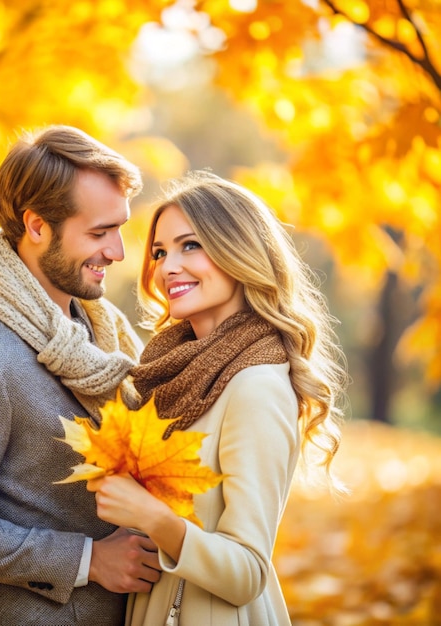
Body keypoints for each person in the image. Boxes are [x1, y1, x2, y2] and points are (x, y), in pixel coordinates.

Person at [0, 125, 162, 626]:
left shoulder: (101, 331)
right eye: (98, 232)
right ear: (37, 226)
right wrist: (89, 560)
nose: (118, 252)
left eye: (120, 228)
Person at [87, 171, 348, 625]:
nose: (168, 268)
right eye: (160, 252)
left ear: (239, 252)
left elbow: (248, 571)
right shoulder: (170, 375)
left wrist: (154, 518)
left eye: (191, 245)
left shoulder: (256, 386)